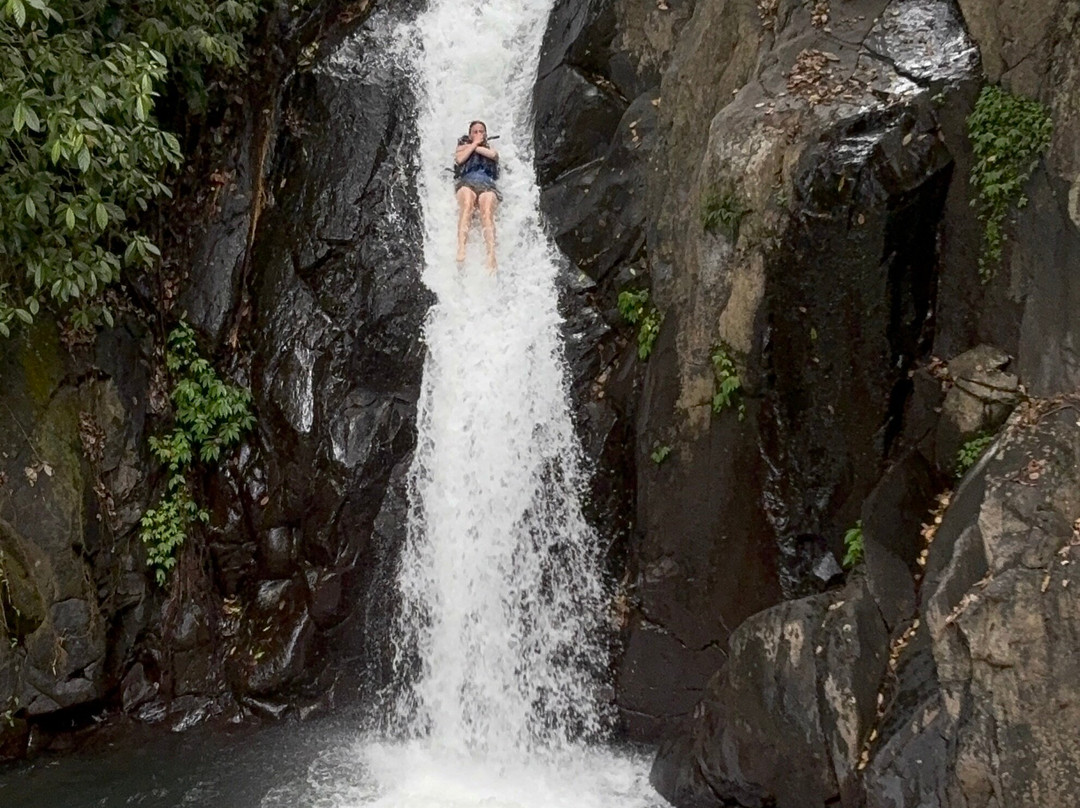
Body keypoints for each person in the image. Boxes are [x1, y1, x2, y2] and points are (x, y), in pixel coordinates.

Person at [454, 120, 500, 271]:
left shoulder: (490, 149)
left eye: (481, 132)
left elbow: (493, 155)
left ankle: (491, 254)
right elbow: (460, 159)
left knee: (486, 212)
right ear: (469, 135)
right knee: (467, 204)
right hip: (467, 184)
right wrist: (474, 145)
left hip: (487, 186)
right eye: (475, 132)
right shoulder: (462, 147)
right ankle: (461, 248)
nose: (479, 134)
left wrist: (476, 146)